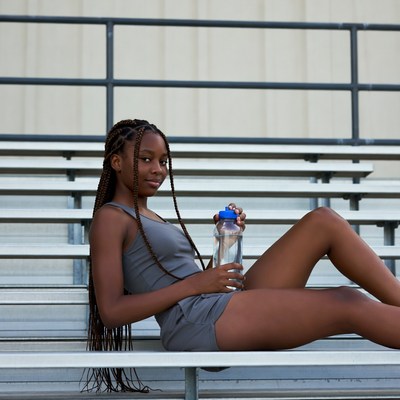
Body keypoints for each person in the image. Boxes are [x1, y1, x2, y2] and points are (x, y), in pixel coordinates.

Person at [87, 118, 400, 392]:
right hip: (192, 323)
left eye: (164, 161)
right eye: (146, 159)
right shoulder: (111, 218)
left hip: (208, 305)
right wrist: (195, 285)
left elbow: (196, 282)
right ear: (116, 162)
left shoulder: (150, 216)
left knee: (324, 221)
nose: (158, 170)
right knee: (346, 302)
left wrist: (225, 238)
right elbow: (112, 311)